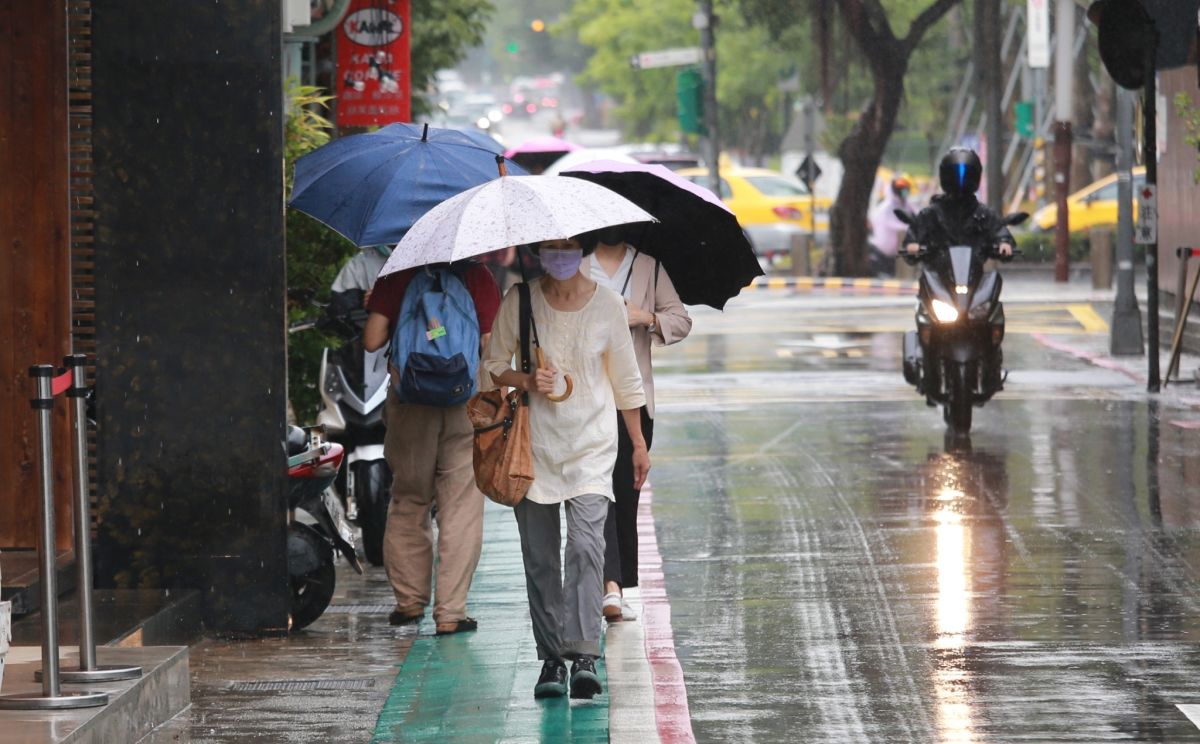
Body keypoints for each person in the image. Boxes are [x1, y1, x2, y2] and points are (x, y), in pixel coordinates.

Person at [481, 237, 649, 701]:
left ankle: (584, 654)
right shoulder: (520, 299)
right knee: (539, 557)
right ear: (537, 251)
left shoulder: (608, 305)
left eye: (568, 246)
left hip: (593, 446)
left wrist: (638, 443)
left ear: (583, 249)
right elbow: (492, 366)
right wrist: (526, 379)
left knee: (586, 547)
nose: (559, 254)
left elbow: (626, 381)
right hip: (532, 448)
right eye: (550, 247)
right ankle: (552, 658)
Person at [362, 262, 500, 635]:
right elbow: (489, 344)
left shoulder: (397, 273)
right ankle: (451, 612)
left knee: (409, 498)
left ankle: (409, 602)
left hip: (410, 402)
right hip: (463, 402)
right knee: (461, 506)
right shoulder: (478, 276)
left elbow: (372, 340)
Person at [577, 226, 691, 623]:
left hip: (634, 401)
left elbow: (681, 321)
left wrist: (645, 318)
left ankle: (617, 584)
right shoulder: (577, 265)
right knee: (594, 491)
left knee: (625, 494)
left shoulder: (649, 267)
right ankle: (609, 584)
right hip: (586, 400)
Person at [904, 148, 1014, 263]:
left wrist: (1004, 242)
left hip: (973, 270)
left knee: (994, 275)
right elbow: (916, 231)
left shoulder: (983, 213)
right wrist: (913, 244)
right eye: (954, 175)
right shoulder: (932, 213)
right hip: (937, 270)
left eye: (967, 175)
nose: (961, 180)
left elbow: (998, 229)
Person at [868, 177, 916, 276]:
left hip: (900, 249)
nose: (903, 192)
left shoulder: (906, 205)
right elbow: (896, 225)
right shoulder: (887, 207)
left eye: (905, 189)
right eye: (901, 189)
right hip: (886, 250)